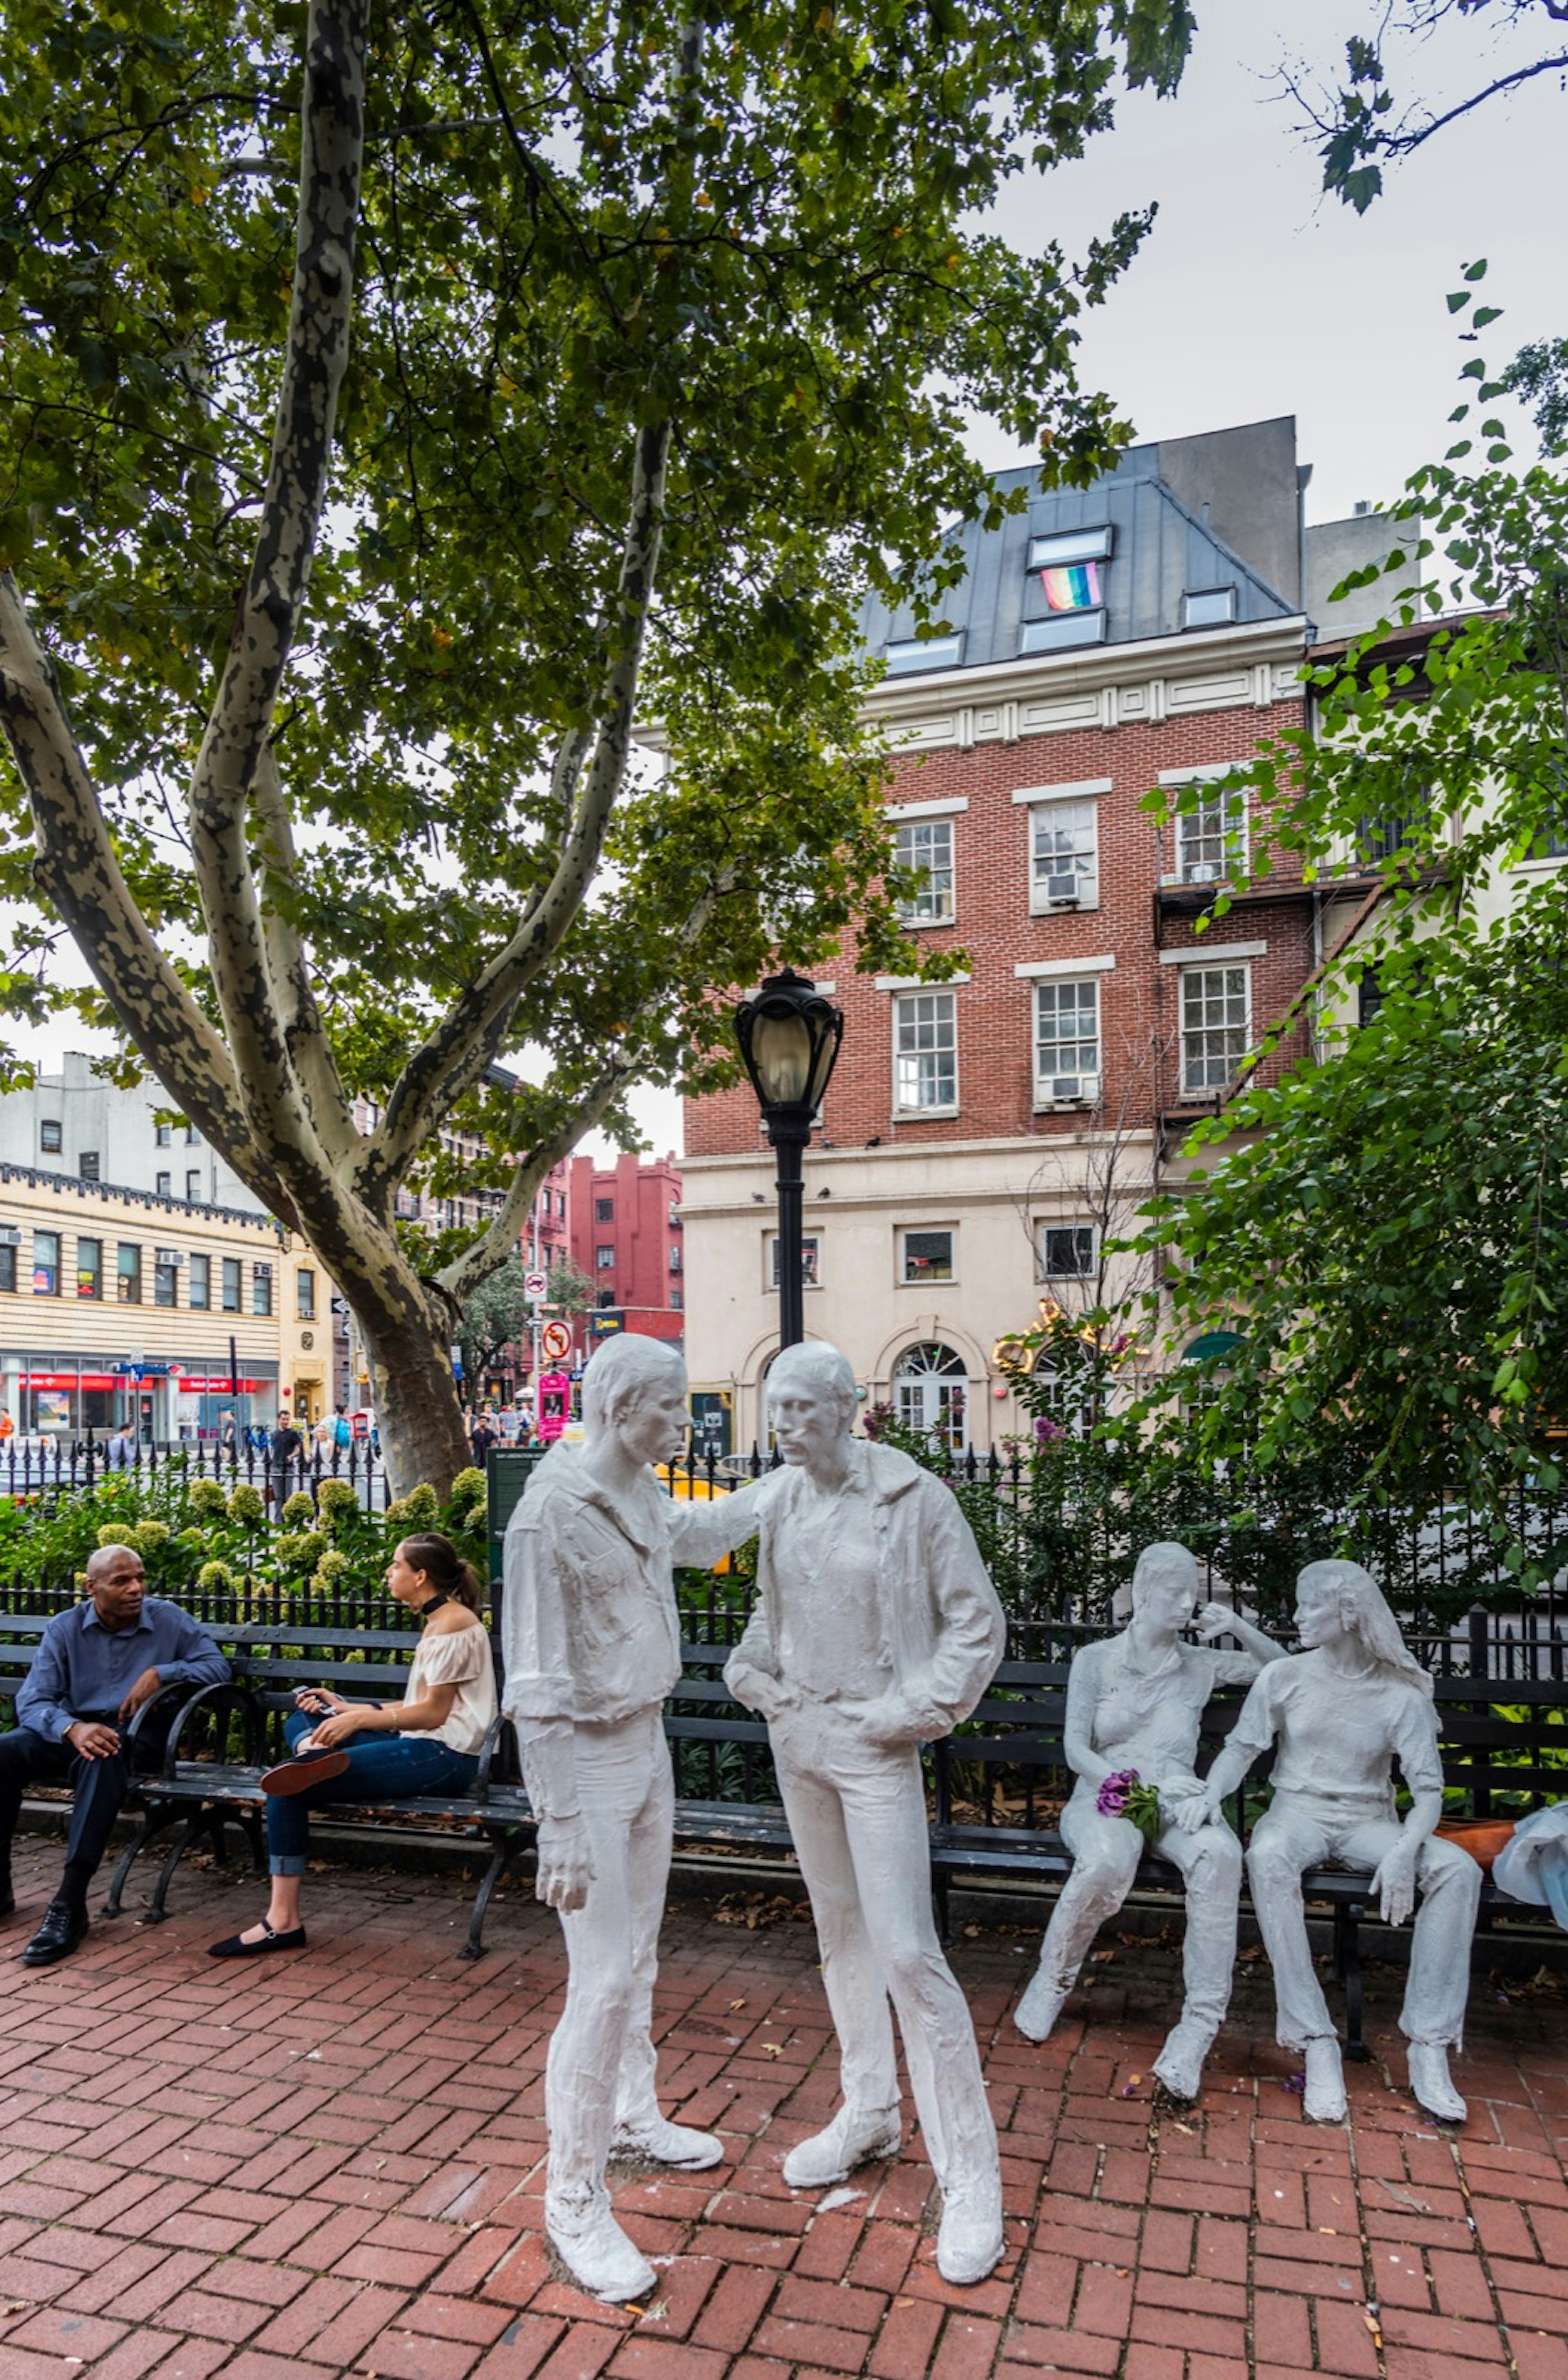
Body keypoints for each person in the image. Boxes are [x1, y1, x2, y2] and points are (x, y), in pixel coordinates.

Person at [724, 1341, 1008, 2287]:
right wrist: (749, 1668)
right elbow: (775, 1616)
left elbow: (975, 1621)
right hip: (797, 1735)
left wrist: (910, 1710)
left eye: (802, 1407)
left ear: (849, 1406)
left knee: (906, 1952)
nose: (784, 1424)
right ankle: (868, 2108)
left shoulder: (914, 1499)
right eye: (777, 1407)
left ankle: (968, 2168)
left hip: (874, 1739)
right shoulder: (779, 1501)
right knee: (839, 1935)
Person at [503, 1334, 760, 2302]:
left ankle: (630, 2113)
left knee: (639, 1957)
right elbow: (532, 1683)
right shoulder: (548, 1517)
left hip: (643, 1740)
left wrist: (777, 1493)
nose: (684, 1424)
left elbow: (695, 1539)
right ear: (621, 1408)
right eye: (670, 1407)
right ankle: (572, 2192)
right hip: (586, 1762)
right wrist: (558, 1817)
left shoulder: (639, 1489)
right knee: (601, 1976)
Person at [1187, 1558, 1480, 2125]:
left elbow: (1429, 1794)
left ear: (1348, 1614)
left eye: (1309, 1606)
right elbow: (1242, 1750)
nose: (1297, 1617)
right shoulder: (1286, 1677)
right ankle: (1316, 2038)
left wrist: (1402, 1850)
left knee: (1457, 1870)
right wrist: (1208, 1794)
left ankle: (1429, 2045)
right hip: (1296, 1814)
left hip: (1371, 1820)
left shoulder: (1401, 1695)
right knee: (1267, 1854)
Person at [1014, 1544, 1283, 2099]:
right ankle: (1054, 1976)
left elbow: (1280, 1670)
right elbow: (1075, 1750)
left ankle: (1197, 2028)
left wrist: (1236, 1623)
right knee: (1110, 1859)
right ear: (1141, 1592)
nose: (1188, 1604)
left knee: (1221, 1855)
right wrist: (1146, 1789)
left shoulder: (1200, 1665)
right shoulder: (1097, 1660)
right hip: (1114, 1792)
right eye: (1175, 1592)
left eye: (1194, 1592)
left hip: (1177, 1801)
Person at [208, 1532, 497, 1957]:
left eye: (396, 1565)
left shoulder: (452, 1624)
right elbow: (421, 1703)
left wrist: (361, 1720)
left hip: (446, 1757)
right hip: (421, 1742)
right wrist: (348, 1707)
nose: (388, 1572)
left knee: (286, 1789)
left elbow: (435, 1714)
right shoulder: (441, 1619)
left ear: (420, 1576)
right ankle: (313, 1750)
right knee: (306, 1716)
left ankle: (282, 1923)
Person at [0, 1545, 229, 1966]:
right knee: (5, 1751)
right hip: (72, 1730)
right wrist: (71, 1728)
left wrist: (164, 1672)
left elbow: (218, 1668)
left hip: (137, 1735)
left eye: (140, 1578)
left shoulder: (168, 1620)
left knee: (103, 1755)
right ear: (92, 1588)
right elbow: (33, 1701)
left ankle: (70, 1903)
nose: (136, 1588)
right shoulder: (65, 1628)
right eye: (122, 1581)